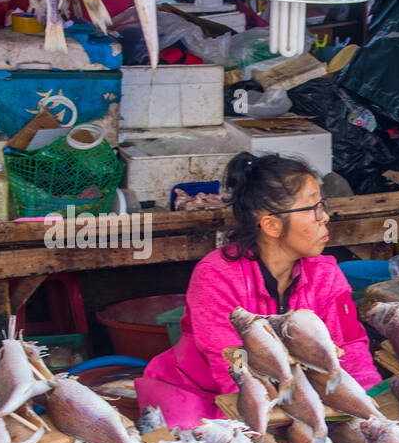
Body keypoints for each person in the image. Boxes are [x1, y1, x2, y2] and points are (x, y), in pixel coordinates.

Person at [136, 152, 382, 428]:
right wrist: (270, 423)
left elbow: (350, 349)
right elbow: (230, 370)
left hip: (293, 395)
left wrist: (370, 404)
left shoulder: (326, 274)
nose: (324, 217)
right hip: (203, 392)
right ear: (272, 225)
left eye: (323, 205)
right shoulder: (216, 276)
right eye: (313, 208)